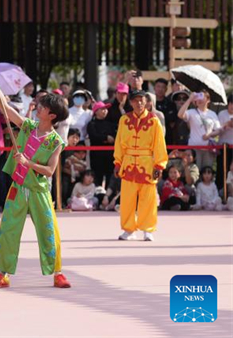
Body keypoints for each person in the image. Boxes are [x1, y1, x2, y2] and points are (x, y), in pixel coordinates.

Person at [0, 69, 71, 289]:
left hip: (39, 191)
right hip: (18, 188)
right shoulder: (28, 126)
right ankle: (2, 274)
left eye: (44, 106)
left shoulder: (56, 142)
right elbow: (5, 109)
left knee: (48, 230)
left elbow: (50, 171)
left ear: (52, 116)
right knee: (8, 229)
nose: (38, 107)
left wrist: (27, 163)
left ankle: (57, 272)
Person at [114, 89, 168, 242]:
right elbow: (119, 143)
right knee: (127, 200)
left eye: (141, 100)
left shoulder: (154, 120)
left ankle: (147, 229)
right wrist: (118, 162)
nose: (139, 103)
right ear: (130, 102)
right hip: (129, 163)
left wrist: (159, 165)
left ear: (146, 102)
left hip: (147, 163)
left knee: (148, 199)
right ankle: (128, 229)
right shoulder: (124, 120)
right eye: (135, 100)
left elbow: (159, 144)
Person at [177, 91, 220, 170]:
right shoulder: (191, 112)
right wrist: (189, 99)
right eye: (198, 97)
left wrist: (209, 135)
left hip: (208, 149)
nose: (199, 99)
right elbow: (180, 114)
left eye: (202, 97)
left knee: (207, 171)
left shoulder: (212, 114)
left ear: (208, 100)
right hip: (194, 148)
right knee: (194, 171)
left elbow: (218, 130)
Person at [86, 101, 115, 190]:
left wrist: (109, 138)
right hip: (97, 156)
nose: (105, 111)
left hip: (110, 155)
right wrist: (106, 138)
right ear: (96, 111)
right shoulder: (91, 124)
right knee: (98, 177)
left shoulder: (110, 124)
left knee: (110, 176)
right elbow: (94, 136)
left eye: (106, 109)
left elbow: (114, 136)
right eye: (102, 109)